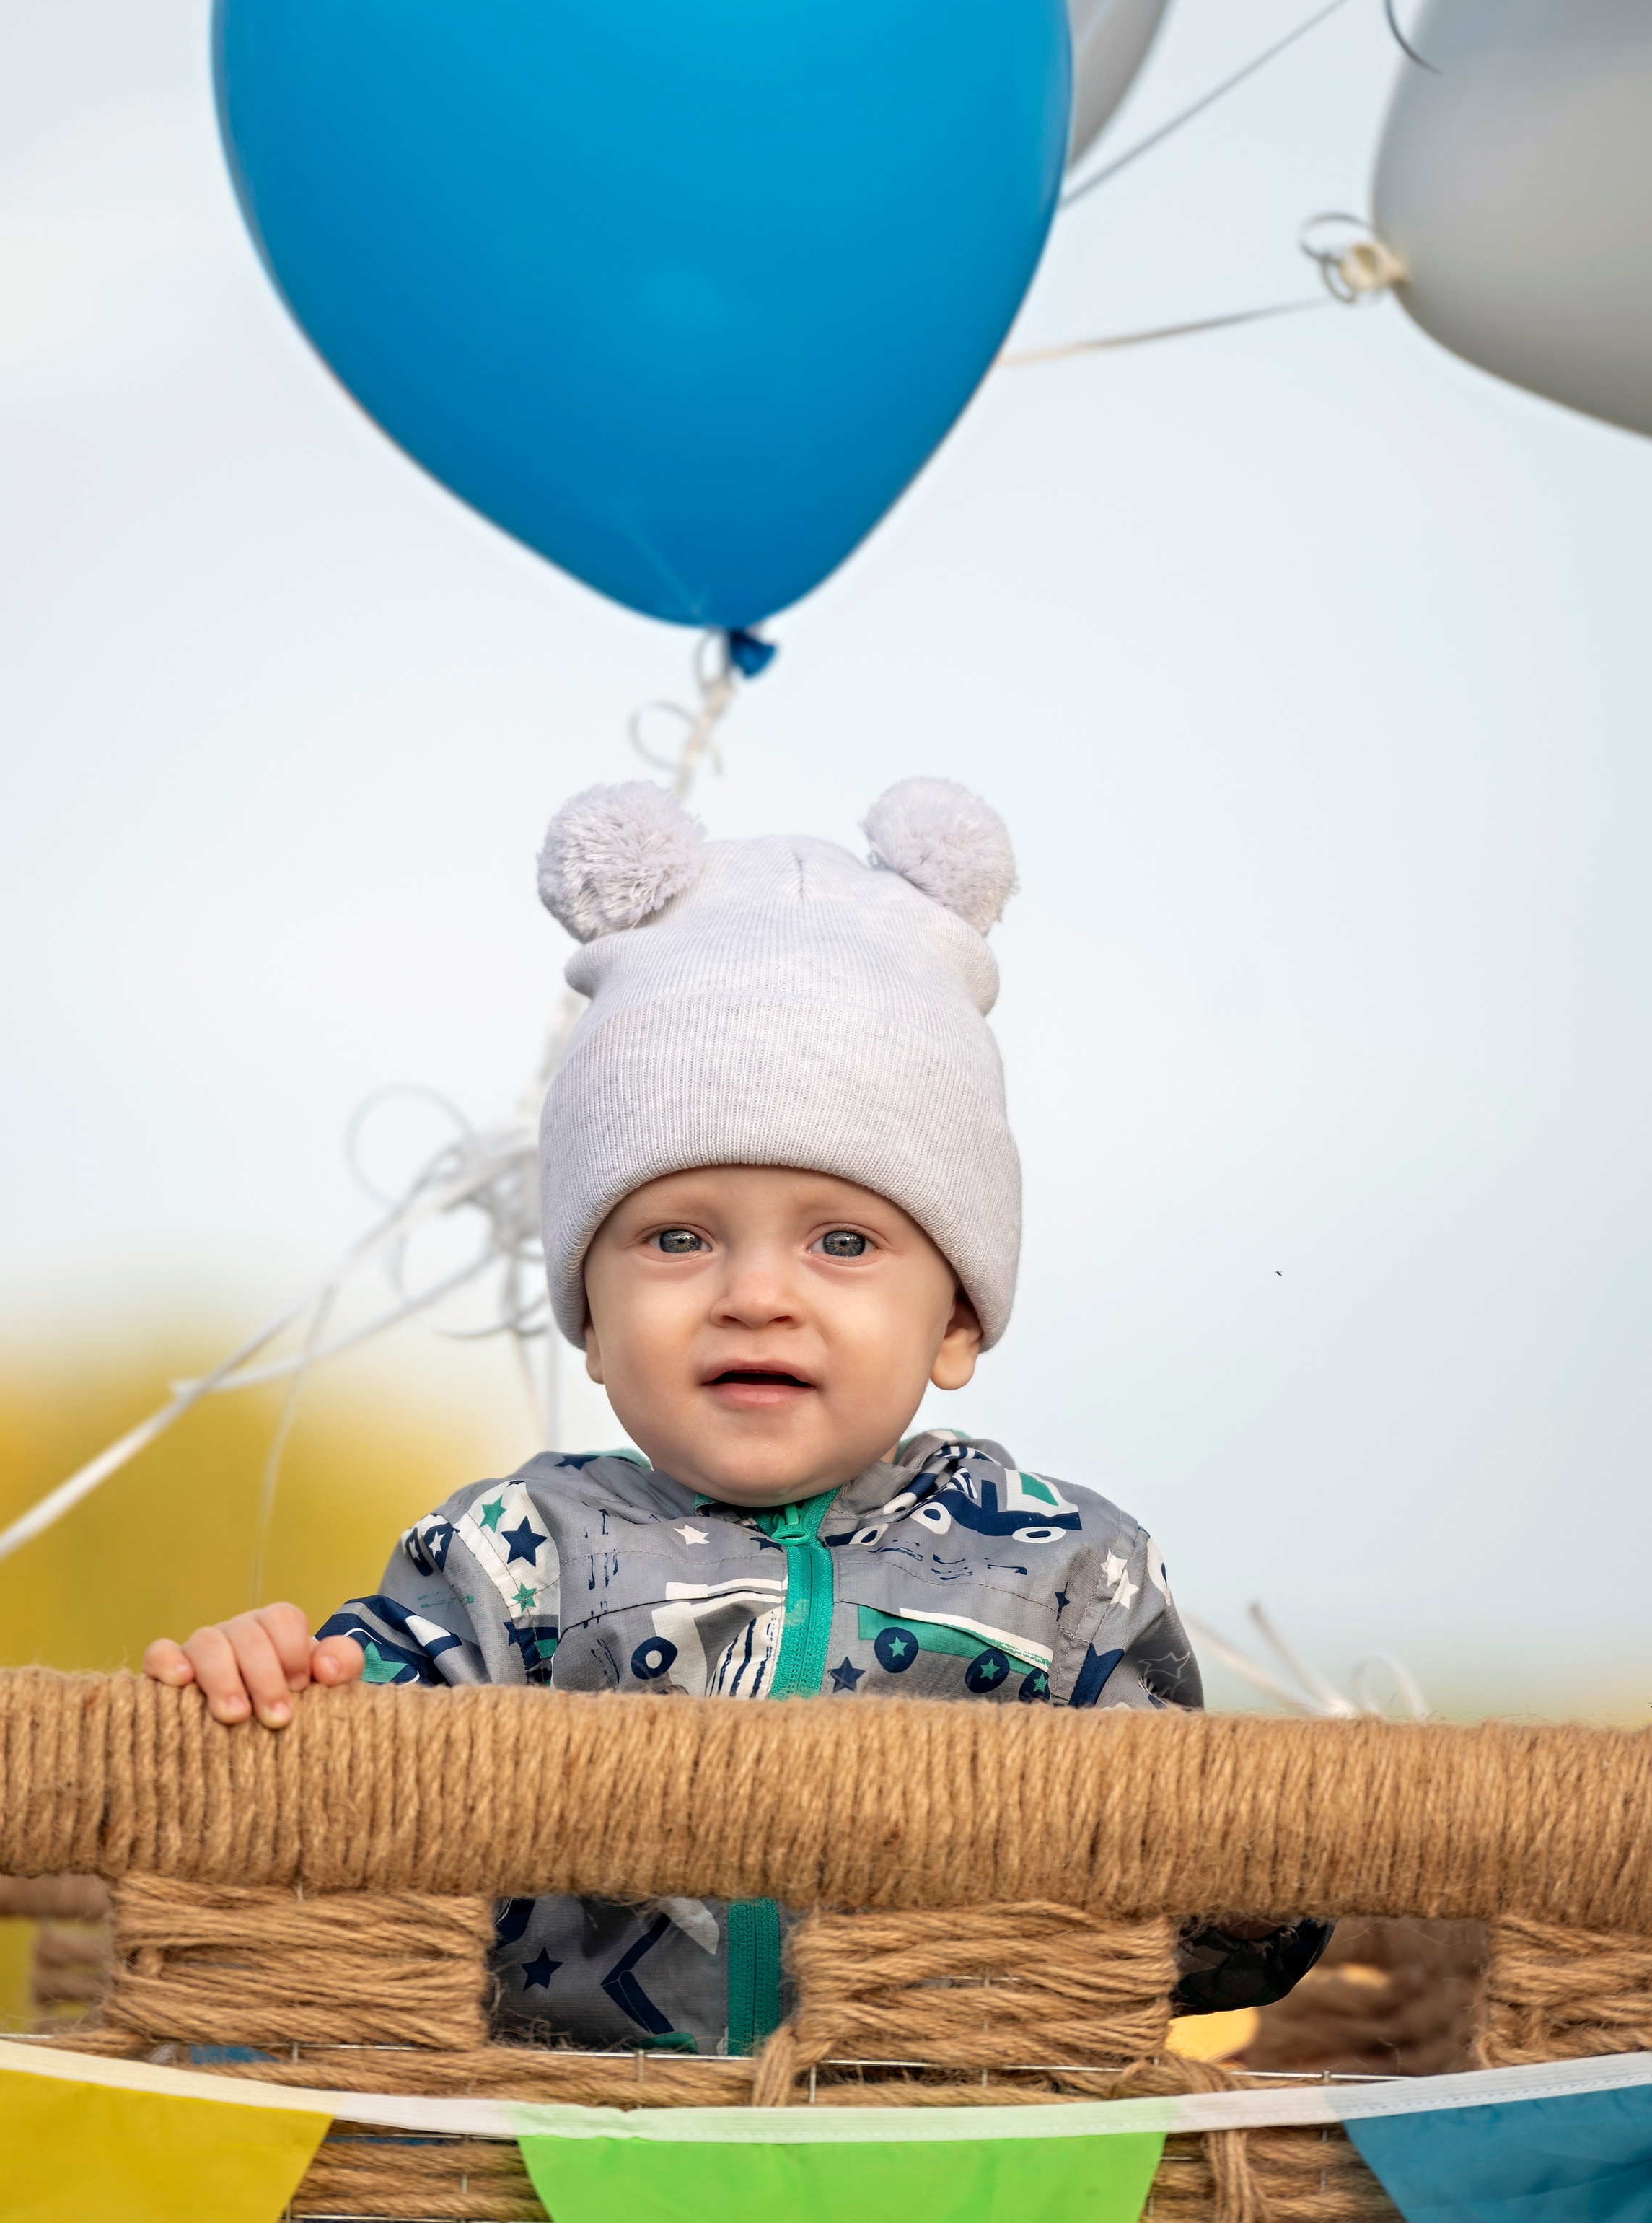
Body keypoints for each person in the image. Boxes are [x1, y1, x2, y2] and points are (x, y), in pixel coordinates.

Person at [146, 776, 1326, 2051]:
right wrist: (277, 1698)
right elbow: (337, 1853)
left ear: (957, 1322)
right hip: (570, 2180)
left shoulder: (1059, 1570)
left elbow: (1209, 1948)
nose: (756, 1294)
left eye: (842, 1240)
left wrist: (1268, 1858)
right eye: (675, 1236)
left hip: (953, 2183)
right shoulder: (513, 1558)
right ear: (590, 1318)